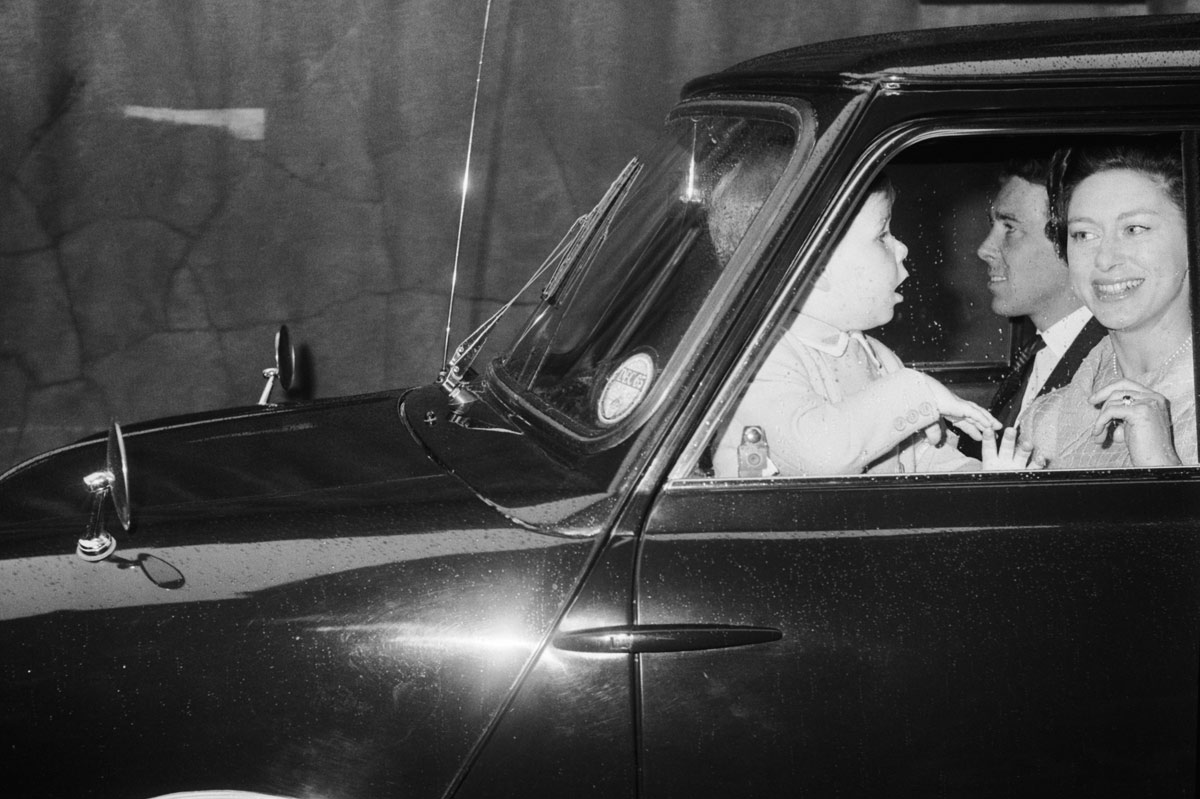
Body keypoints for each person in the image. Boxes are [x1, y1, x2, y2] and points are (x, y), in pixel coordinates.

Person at [712, 173, 1030, 477]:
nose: (902, 248)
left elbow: (922, 456)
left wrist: (980, 476)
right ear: (813, 268)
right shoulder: (756, 361)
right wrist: (917, 392)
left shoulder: (878, 358)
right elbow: (821, 453)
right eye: (882, 235)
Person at [1018, 139, 1196, 468]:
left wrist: (1161, 465)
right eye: (1084, 234)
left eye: (1134, 229)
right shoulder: (1045, 423)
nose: (1104, 259)